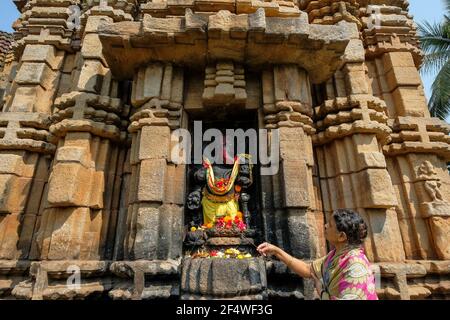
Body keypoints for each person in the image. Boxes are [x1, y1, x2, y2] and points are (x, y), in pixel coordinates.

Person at [257, 209, 378, 300]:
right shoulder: (337, 255)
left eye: (330, 225)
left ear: (341, 236)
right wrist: (276, 251)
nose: (325, 225)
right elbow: (307, 269)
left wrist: (322, 292)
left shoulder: (356, 265)